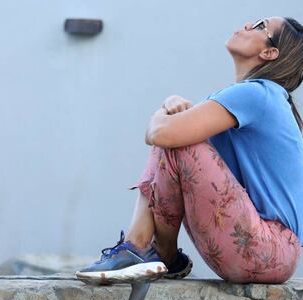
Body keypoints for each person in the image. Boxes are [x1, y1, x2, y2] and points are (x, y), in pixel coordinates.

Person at [76, 16, 303, 285]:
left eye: (259, 25)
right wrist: (171, 105)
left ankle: (144, 248)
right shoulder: (253, 96)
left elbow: (160, 133)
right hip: (265, 252)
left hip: (265, 246)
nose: (246, 25)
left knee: (177, 141)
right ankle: (155, 254)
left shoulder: (258, 93)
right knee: (177, 141)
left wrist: (163, 109)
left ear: (269, 52)